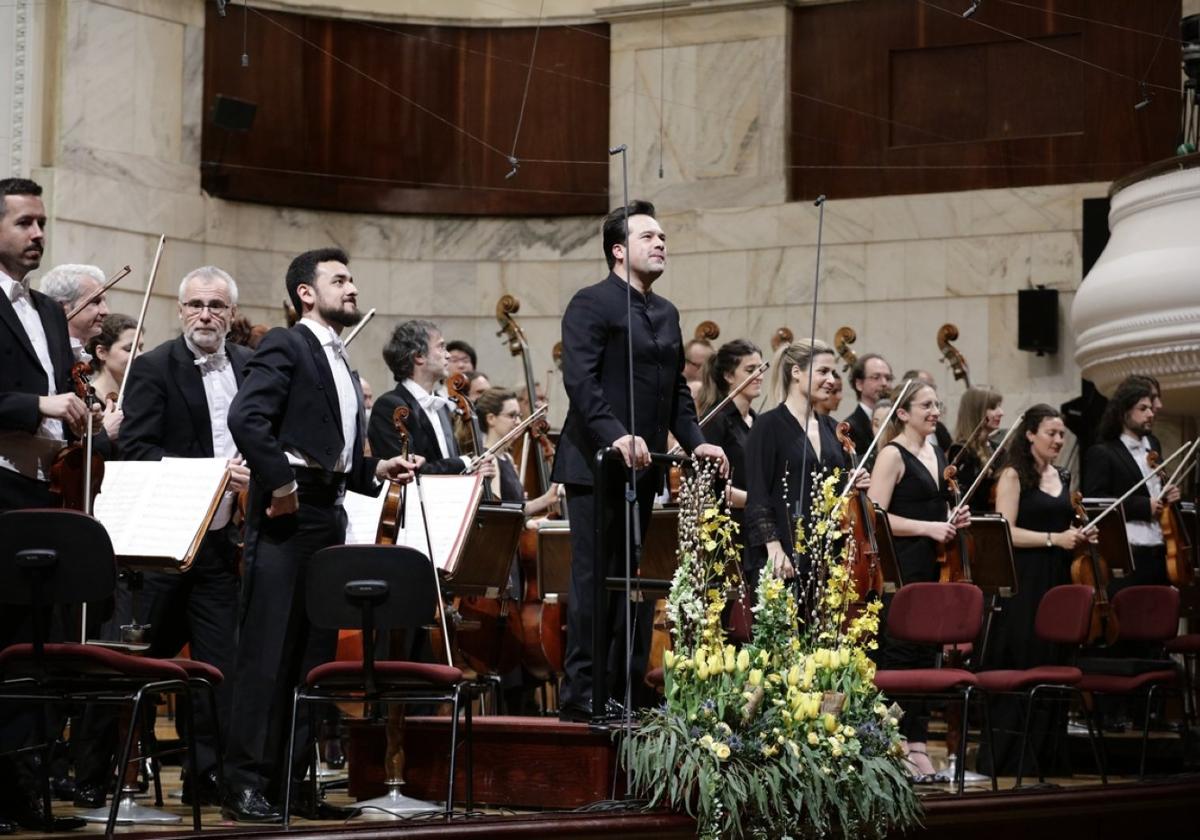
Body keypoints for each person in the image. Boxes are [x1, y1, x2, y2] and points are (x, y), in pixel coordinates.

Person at [222, 248, 419, 822]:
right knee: (267, 652)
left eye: (352, 278)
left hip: (325, 512)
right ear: (305, 294)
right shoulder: (288, 343)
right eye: (339, 280)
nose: (351, 288)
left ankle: (294, 784)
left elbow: (329, 452)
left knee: (311, 655)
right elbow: (246, 419)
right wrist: (279, 484)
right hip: (288, 513)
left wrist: (373, 471)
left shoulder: (340, 358)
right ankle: (245, 785)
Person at [551, 200, 726, 721]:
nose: (661, 243)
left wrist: (696, 441)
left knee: (634, 584)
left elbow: (675, 392)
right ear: (619, 250)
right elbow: (580, 382)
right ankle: (582, 692)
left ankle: (621, 689)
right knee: (594, 579)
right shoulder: (591, 303)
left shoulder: (667, 312)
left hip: (644, 466)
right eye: (649, 236)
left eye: (664, 237)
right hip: (596, 464)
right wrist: (618, 434)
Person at [105, 266, 253, 808]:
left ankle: (207, 775)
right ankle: (99, 770)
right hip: (164, 545)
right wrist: (211, 473)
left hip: (220, 544)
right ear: (180, 308)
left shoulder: (248, 364)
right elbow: (135, 450)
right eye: (196, 305)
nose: (206, 314)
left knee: (221, 668)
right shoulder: (152, 368)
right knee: (132, 661)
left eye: (217, 305)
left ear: (231, 314)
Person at [0, 177, 89, 832]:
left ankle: (29, 796)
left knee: (36, 649)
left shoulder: (52, 313)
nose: (37, 235)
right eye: (24, 223)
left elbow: (64, 396)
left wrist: (81, 418)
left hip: (43, 488)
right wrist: (40, 406)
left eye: (42, 223)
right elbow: (37, 399)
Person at [978, 405, 1094, 775]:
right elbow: (1005, 530)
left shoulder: (1061, 475)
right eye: (1051, 433)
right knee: (1024, 661)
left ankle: (1047, 758)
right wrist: (1053, 538)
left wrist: (1079, 536)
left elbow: (1064, 527)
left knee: (1054, 663)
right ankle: (1013, 760)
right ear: (1029, 434)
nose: (1058, 440)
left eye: (1062, 434)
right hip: (1025, 581)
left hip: (1058, 577)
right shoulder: (1013, 474)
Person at [867, 381, 969, 780]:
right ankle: (898, 745)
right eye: (926, 404)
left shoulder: (937, 451)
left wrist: (953, 519)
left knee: (928, 655)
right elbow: (876, 516)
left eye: (937, 403)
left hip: (933, 568)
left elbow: (938, 510)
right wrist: (928, 528)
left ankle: (921, 745)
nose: (935, 410)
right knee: (899, 657)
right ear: (903, 413)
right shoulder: (892, 454)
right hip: (902, 568)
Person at [744, 340, 864, 603]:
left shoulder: (834, 429)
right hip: (780, 558)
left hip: (827, 559)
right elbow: (758, 495)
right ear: (796, 372)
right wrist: (773, 547)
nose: (831, 380)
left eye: (833, 373)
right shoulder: (767, 426)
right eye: (823, 372)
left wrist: (853, 484)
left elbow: (835, 496)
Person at [1082, 376, 1177, 591]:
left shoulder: (1153, 445)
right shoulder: (1103, 453)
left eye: (1151, 408)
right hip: (1129, 556)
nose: (1151, 414)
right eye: (1142, 408)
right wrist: (1143, 506)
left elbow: (1154, 489)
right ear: (1124, 412)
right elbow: (1095, 504)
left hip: (1160, 551)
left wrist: (1167, 494)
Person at [369, 319, 494, 480]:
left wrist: (476, 470)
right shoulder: (389, 406)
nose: (448, 355)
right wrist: (465, 462)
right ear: (419, 356)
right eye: (441, 347)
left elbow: (446, 467)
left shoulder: (441, 406)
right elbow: (406, 471)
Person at [696, 339, 763, 526]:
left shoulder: (757, 421)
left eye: (760, 369)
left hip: (757, 522)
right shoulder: (715, 421)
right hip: (728, 526)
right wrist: (759, 501)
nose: (759, 375)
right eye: (750, 370)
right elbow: (711, 489)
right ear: (729, 376)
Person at [946, 386, 1004, 514]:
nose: (1001, 412)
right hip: (977, 524)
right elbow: (963, 502)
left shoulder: (997, 449)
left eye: (1000, 406)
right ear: (976, 411)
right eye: (994, 407)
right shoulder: (961, 451)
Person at [40, 263, 110, 363]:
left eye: (104, 301)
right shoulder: (44, 353)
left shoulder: (84, 356)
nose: (105, 311)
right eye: (95, 302)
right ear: (61, 307)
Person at [84, 313, 140, 407]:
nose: (139, 355)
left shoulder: (136, 398)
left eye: (141, 348)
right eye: (128, 349)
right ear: (102, 352)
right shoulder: (87, 401)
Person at [843, 353, 893, 456]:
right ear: (859, 384)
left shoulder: (897, 422)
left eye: (888, 378)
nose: (884, 383)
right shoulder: (849, 429)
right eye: (876, 377)